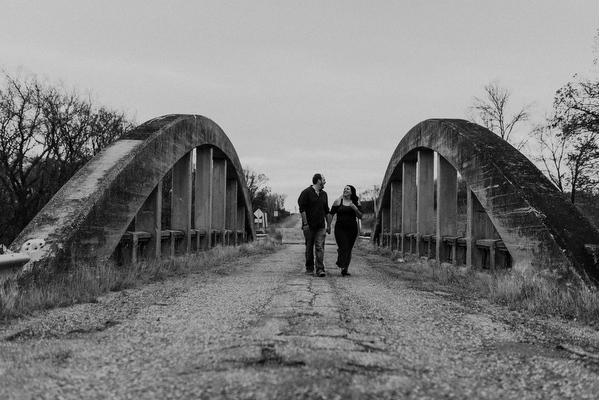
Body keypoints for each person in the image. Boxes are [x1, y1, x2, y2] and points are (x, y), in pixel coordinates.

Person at [298, 173, 332, 277]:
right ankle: (309, 268)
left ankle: (320, 269)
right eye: (323, 180)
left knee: (320, 247)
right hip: (309, 226)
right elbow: (302, 209)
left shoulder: (324, 194)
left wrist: (329, 224)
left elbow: (326, 210)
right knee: (309, 247)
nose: (325, 182)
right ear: (318, 181)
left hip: (320, 226)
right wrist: (305, 223)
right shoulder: (306, 193)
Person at [330, 185, 363, 276]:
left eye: (347, 189)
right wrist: (328, 225)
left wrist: (355, 209)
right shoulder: (338, 201)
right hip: (340, 229)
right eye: (344, 189)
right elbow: (331, 214)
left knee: (349, 248)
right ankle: (342, 265)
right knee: (343, 247)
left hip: (352, 229)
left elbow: (360, 216)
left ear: (352, 192)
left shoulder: (356, 202)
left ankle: (345, 268)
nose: (345, 190)